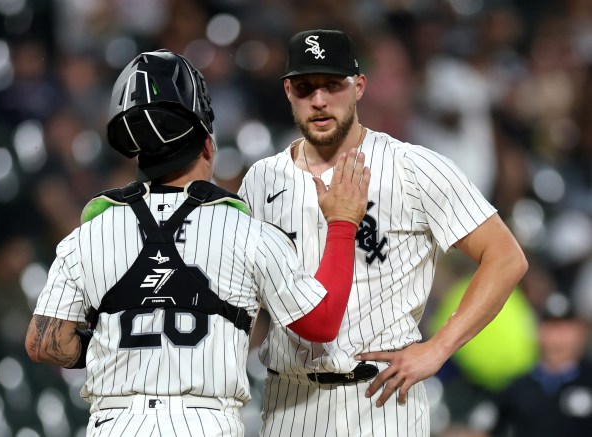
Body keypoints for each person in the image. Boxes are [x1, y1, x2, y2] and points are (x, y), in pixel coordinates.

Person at [24, 49, 371, 437]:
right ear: (208, 146)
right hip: (204, 422)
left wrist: (123, 345)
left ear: (138, 156)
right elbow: (321, 323)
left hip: (115, 423)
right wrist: (342, 223)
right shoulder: (247, 233)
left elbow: (44, 343)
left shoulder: (87, 236)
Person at [237, 29, 528, 436]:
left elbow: (506, 256)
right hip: (288, 400)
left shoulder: (413, 167)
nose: (319, 101)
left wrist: (438, 348)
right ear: (288, 90)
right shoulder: (261, 180)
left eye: (332, 86)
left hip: (381, 399)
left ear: (359, 86)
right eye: (305, 88)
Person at [490, 292, 592, 436]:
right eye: (551, 327)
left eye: (565, 328)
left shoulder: (588, 380)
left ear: (580, 332)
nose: (557, 338)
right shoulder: (517, 387)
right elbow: (481, 428)